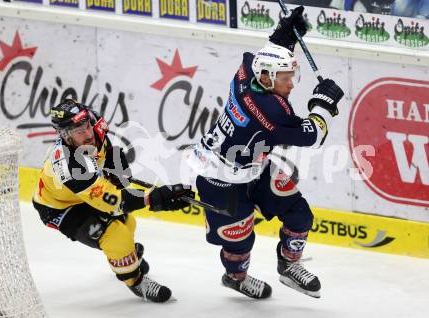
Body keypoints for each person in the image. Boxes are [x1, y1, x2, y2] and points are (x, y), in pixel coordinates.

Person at [186, 6, 344, 299]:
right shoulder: (270, 111)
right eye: (285, 77)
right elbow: (314, 135)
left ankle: (289, 265)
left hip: (253, 165)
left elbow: (268, 50)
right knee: (239, 239)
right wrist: (323, 104)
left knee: (299, 214)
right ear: (268, 78)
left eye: (290, 75)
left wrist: (286, 33)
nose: (291, 83)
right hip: (218, 178)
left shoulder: (247, 71)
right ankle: (235, 277)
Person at [32, 99, 193, 303]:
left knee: (127, 223)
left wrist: (113, 167)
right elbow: (114, 201)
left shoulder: (95, 131)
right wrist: (155, 198)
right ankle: (135, 281)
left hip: (84, 195)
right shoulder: (69, 166)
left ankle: (125, 257)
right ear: (65, 135)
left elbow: (107, 156)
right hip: (59, 208)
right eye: (79, 131)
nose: (89, 134)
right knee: (117, 236)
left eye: (87, 126)